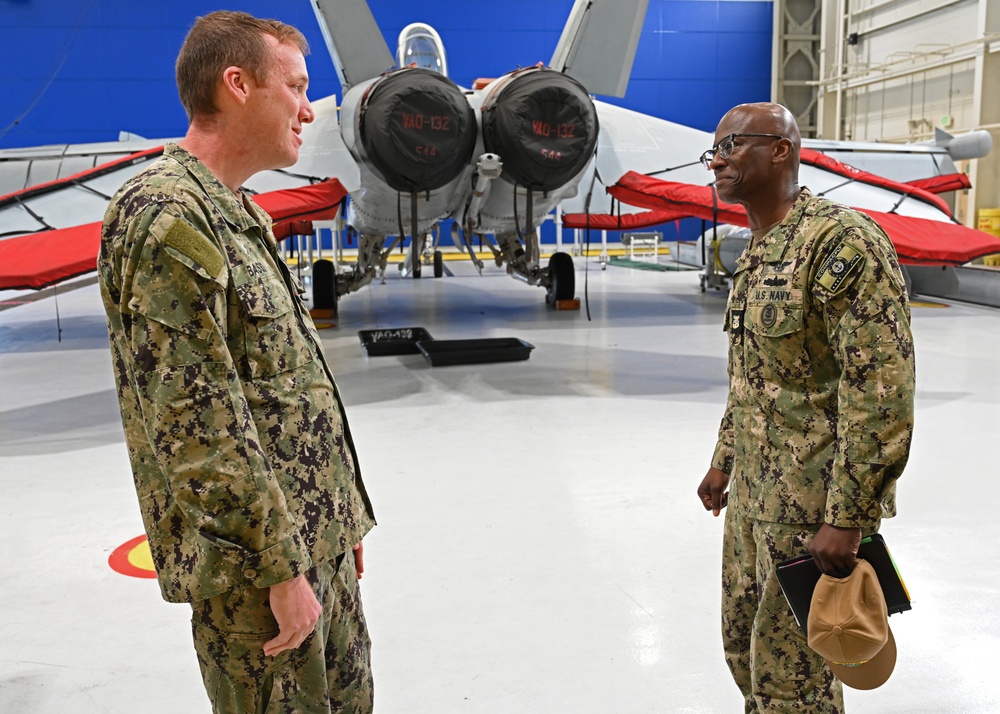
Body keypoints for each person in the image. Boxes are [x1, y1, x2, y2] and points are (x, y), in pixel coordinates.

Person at [98, 11, 376, 713]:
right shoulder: (166, 216)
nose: (310, 110)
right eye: (297, 86)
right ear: (238, 85)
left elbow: (280, 388)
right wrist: (278, 567)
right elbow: (196, 425)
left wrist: (337, 527)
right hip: (259, 577)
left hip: (312, 546)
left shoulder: (232, 211)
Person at [696, 103, 915, 712]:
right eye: (713, 148)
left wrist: (848, 515)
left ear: (782, 150)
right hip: (753, 503)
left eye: (733, 144)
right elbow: (755, 376)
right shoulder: (759, 249)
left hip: (812, 513)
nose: (717, 159)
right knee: (746, 653)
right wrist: (724, 460)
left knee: (795, 684)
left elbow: (880, 390)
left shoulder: (841, 243)